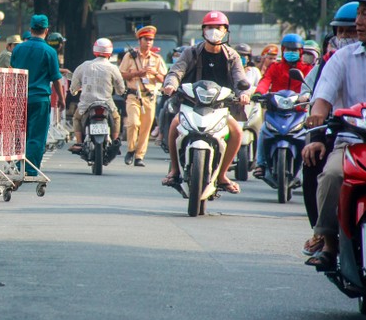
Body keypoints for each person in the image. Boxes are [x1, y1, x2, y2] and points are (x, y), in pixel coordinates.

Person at [303, 0, 366, 271]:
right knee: (331, 174)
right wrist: (317, 118)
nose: (358, 21)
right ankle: (328, 241)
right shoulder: (342, 59)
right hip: (351, 143)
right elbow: (321, 101)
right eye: (358, 13)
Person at [161, 11, 250, 194]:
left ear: (226, 32)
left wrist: (243, 94)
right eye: (210, 27)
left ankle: (223, 174)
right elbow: (176, 71)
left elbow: (239, 78)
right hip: (191, 104)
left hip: (220, 108)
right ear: (203, 30)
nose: (214, 31)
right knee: (174, 125)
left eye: (218, 28)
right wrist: (170, 85)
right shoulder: (191, 52)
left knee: (237, 132)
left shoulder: (232, 56)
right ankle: (175, 170)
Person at [251, 34, 313, 179]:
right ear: (283, 50)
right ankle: (260, 164)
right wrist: (259, 92)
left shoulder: (307, 69)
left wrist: (309, 96)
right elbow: (266, 80)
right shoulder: (275, 67)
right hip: (276, 111)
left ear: (301, 52)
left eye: (295, 50)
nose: (291, 52)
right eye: (288, 49)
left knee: (308, 135)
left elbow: (311, 85)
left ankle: (307, 167)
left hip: (298, 112)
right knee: (264, 130)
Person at [10, 14, 66, 176]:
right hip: (40, 99)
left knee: (20, 133)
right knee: (37, 136)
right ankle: (30, 169)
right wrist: (61, 99)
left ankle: (17, 164)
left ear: (30, 29)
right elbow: (56, 78)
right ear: (46, 31)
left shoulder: (18, 48)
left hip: (19, 98)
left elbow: (12, 70)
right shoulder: (49, 51)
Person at [119, 25, 167, 167]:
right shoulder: (130, 56)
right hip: (133, 95)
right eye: (146, 39)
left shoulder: (157, 59)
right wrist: (136, 73)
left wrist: (154, 73)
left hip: (149, 97)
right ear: (140, 40)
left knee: (146, 128)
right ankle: (131, 149)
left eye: (151, 40)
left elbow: (164, 78)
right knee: (133, 123)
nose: (149, 42)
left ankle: (139, 156)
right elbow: (122, 74)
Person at [68, 37, 125, 155]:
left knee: (76, 118)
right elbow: (121, 89)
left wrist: (74, 91)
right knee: (116, 118)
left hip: (86, 104)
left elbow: (74, 84)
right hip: (107, 104)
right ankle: (115, 143)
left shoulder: (84, 65)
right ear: (109, 52)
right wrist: (120, 92)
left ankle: (79, 143)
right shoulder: (113, 68)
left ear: (95, 50)